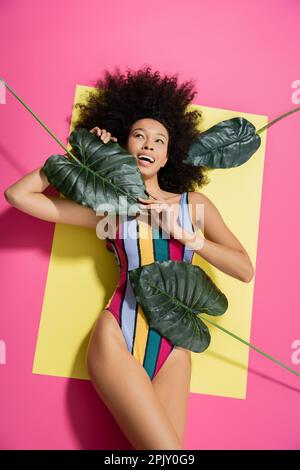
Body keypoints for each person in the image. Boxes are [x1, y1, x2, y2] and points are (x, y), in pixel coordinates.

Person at [4, 66, 254, 450]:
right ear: (125, 145)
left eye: (159, 140)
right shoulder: (109, 209)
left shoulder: (194, 206)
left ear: (170, 156)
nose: (148, 145)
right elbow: (19, 197)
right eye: (139, 135)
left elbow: (244, 269)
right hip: (117, 335)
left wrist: (190, 237)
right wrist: (80, 154)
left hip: (175, 348)